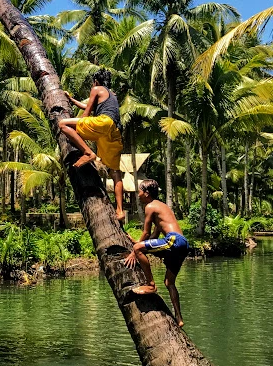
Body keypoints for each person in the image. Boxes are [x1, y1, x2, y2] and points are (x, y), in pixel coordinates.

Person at [58, 69, 125, 221]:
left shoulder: (96, 89)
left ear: (96, 81)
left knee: (63, 124)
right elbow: (88, 105)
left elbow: (86, 113)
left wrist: (80, 128)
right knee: (115, 172)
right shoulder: (111, 94)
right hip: (114, 131)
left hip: (103, 122)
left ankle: (88, 153)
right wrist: (72, 100)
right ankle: (120, 211)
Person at [124, 180, 189, 327]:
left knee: (139, 248)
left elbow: (146, 233)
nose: (138, 194)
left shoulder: (150, 206)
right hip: (182, 243)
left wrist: (136, 250)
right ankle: (179, 318)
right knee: (169, 282)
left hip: (173, 240)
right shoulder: (161, 206)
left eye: (139, 191)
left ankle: (151, 284)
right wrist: (137, 244)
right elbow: (153, 236)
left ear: (146, 193)